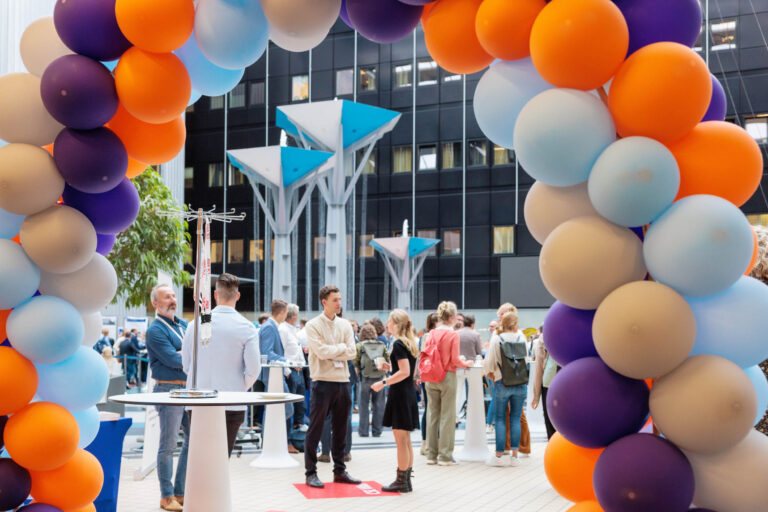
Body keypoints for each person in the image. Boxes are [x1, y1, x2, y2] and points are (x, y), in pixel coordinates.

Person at [181, 273, 262, 457]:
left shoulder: (197, 323)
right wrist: (239, 386)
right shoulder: (246, 327)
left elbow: (186, 365)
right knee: (222, 458)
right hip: (232, 401)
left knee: (200, 456)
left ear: (215, 295)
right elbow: (253, 370)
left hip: (198, 399)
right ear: (238, 296)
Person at [303, 285, 360, 489]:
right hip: (322, 381)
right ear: (324, 302)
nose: (339, 303)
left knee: (341, 428)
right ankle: (311, 472)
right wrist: (341, 348)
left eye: (340, 299)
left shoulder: (345, 325)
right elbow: (320, 351)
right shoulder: (313, 325)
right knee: (316, 428)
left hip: (343, 381)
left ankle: (340, 471)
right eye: (335, 300)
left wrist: (335, 350)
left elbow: (352, 352)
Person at [145, 284, 189, 512]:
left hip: (189, 390)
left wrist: (185, 354)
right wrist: (185, 355)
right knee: (169, 445)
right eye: (166, 297)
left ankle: (180, 492)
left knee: (193, 440)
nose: (172, 300)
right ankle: (166, 496)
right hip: (168, 390)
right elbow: (175, 360)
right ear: (155, 303)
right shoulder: (155, 330)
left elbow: (197, 352)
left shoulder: (183, 325)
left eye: (173, 296)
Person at [371, 309, 420, 492]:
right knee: (406, 440)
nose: (387, 324)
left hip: (400, 394)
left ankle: (401, 481)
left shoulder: (399, 344)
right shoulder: (409, 343)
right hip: (407, 392)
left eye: (390, 321)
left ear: (397, 324)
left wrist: (383, 382)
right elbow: (407, 370)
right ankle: (406, 480)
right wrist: (389, 367)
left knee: (401, 441)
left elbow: (405, 372)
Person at [423, 301, 473, 466]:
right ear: (451, 317)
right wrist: (466, 363)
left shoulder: (431, 334)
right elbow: (455, 359)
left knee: (432, 415)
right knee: (447, 416)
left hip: (430, 376)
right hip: (447, 376)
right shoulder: (453, 335)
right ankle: (445, 456)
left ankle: (431, 454)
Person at [484, 311, 528, 467]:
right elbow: (525, 360)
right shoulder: (522, 338)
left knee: (500, 419)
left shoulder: (497, 339)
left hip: (502, 381)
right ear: (515, 324)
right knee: (515, 418)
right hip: (520, 383)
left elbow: (489, 362)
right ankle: (515, 457)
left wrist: (490, 373)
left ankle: (499, 456)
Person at [254, 300, 289, 428]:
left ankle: (270, 435)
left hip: (273, 373)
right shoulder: (269, 327)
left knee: (275, 409)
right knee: (285, 408)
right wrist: (286, 361)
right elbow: (267, 353)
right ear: (282, 312)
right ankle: (269, 435)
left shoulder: (270, 326)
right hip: (271, 374)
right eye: (286, 312)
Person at [354, 323, 389, 437]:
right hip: (379, 378)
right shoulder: (381, 345)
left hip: (365, 378)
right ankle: (377, 430)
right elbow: (387, 361)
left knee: (363, 406)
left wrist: (357, 378)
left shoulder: (359, 346)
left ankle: (363, 431)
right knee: (379, 405)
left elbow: (355, 363)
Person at [279, 304, 308, 432]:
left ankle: (299, 429)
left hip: (300, 370)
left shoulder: (294, 329)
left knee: (300, 403)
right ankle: (288, 435)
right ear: (295, 315)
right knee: (290, 405)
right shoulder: (283, 330)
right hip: (291, 371)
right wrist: (287, 371)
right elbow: (281, 351)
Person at [531, 325, 557, 440]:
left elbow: (539, 367)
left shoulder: (544, 337)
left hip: (549, 382)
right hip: (569, 381)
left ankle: (553, 447)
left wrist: (536, 395)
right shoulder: (572, 333)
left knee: (550, 420)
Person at [456, 314, 483, 421]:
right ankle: (473, 417)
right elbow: (479, 352)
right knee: (473, 393)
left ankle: (455, 417)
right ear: (473, 323)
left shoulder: (456, 333)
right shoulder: (476, 335)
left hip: (458, 366)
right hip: (472, 367)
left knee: (457, 393)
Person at [419, 312, 438, 450]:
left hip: (426, 374)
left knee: (429, 408)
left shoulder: (425, 336)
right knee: (431, 409)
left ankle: (425, 442)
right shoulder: (430, 336)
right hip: (433, 375)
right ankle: (428, 443)